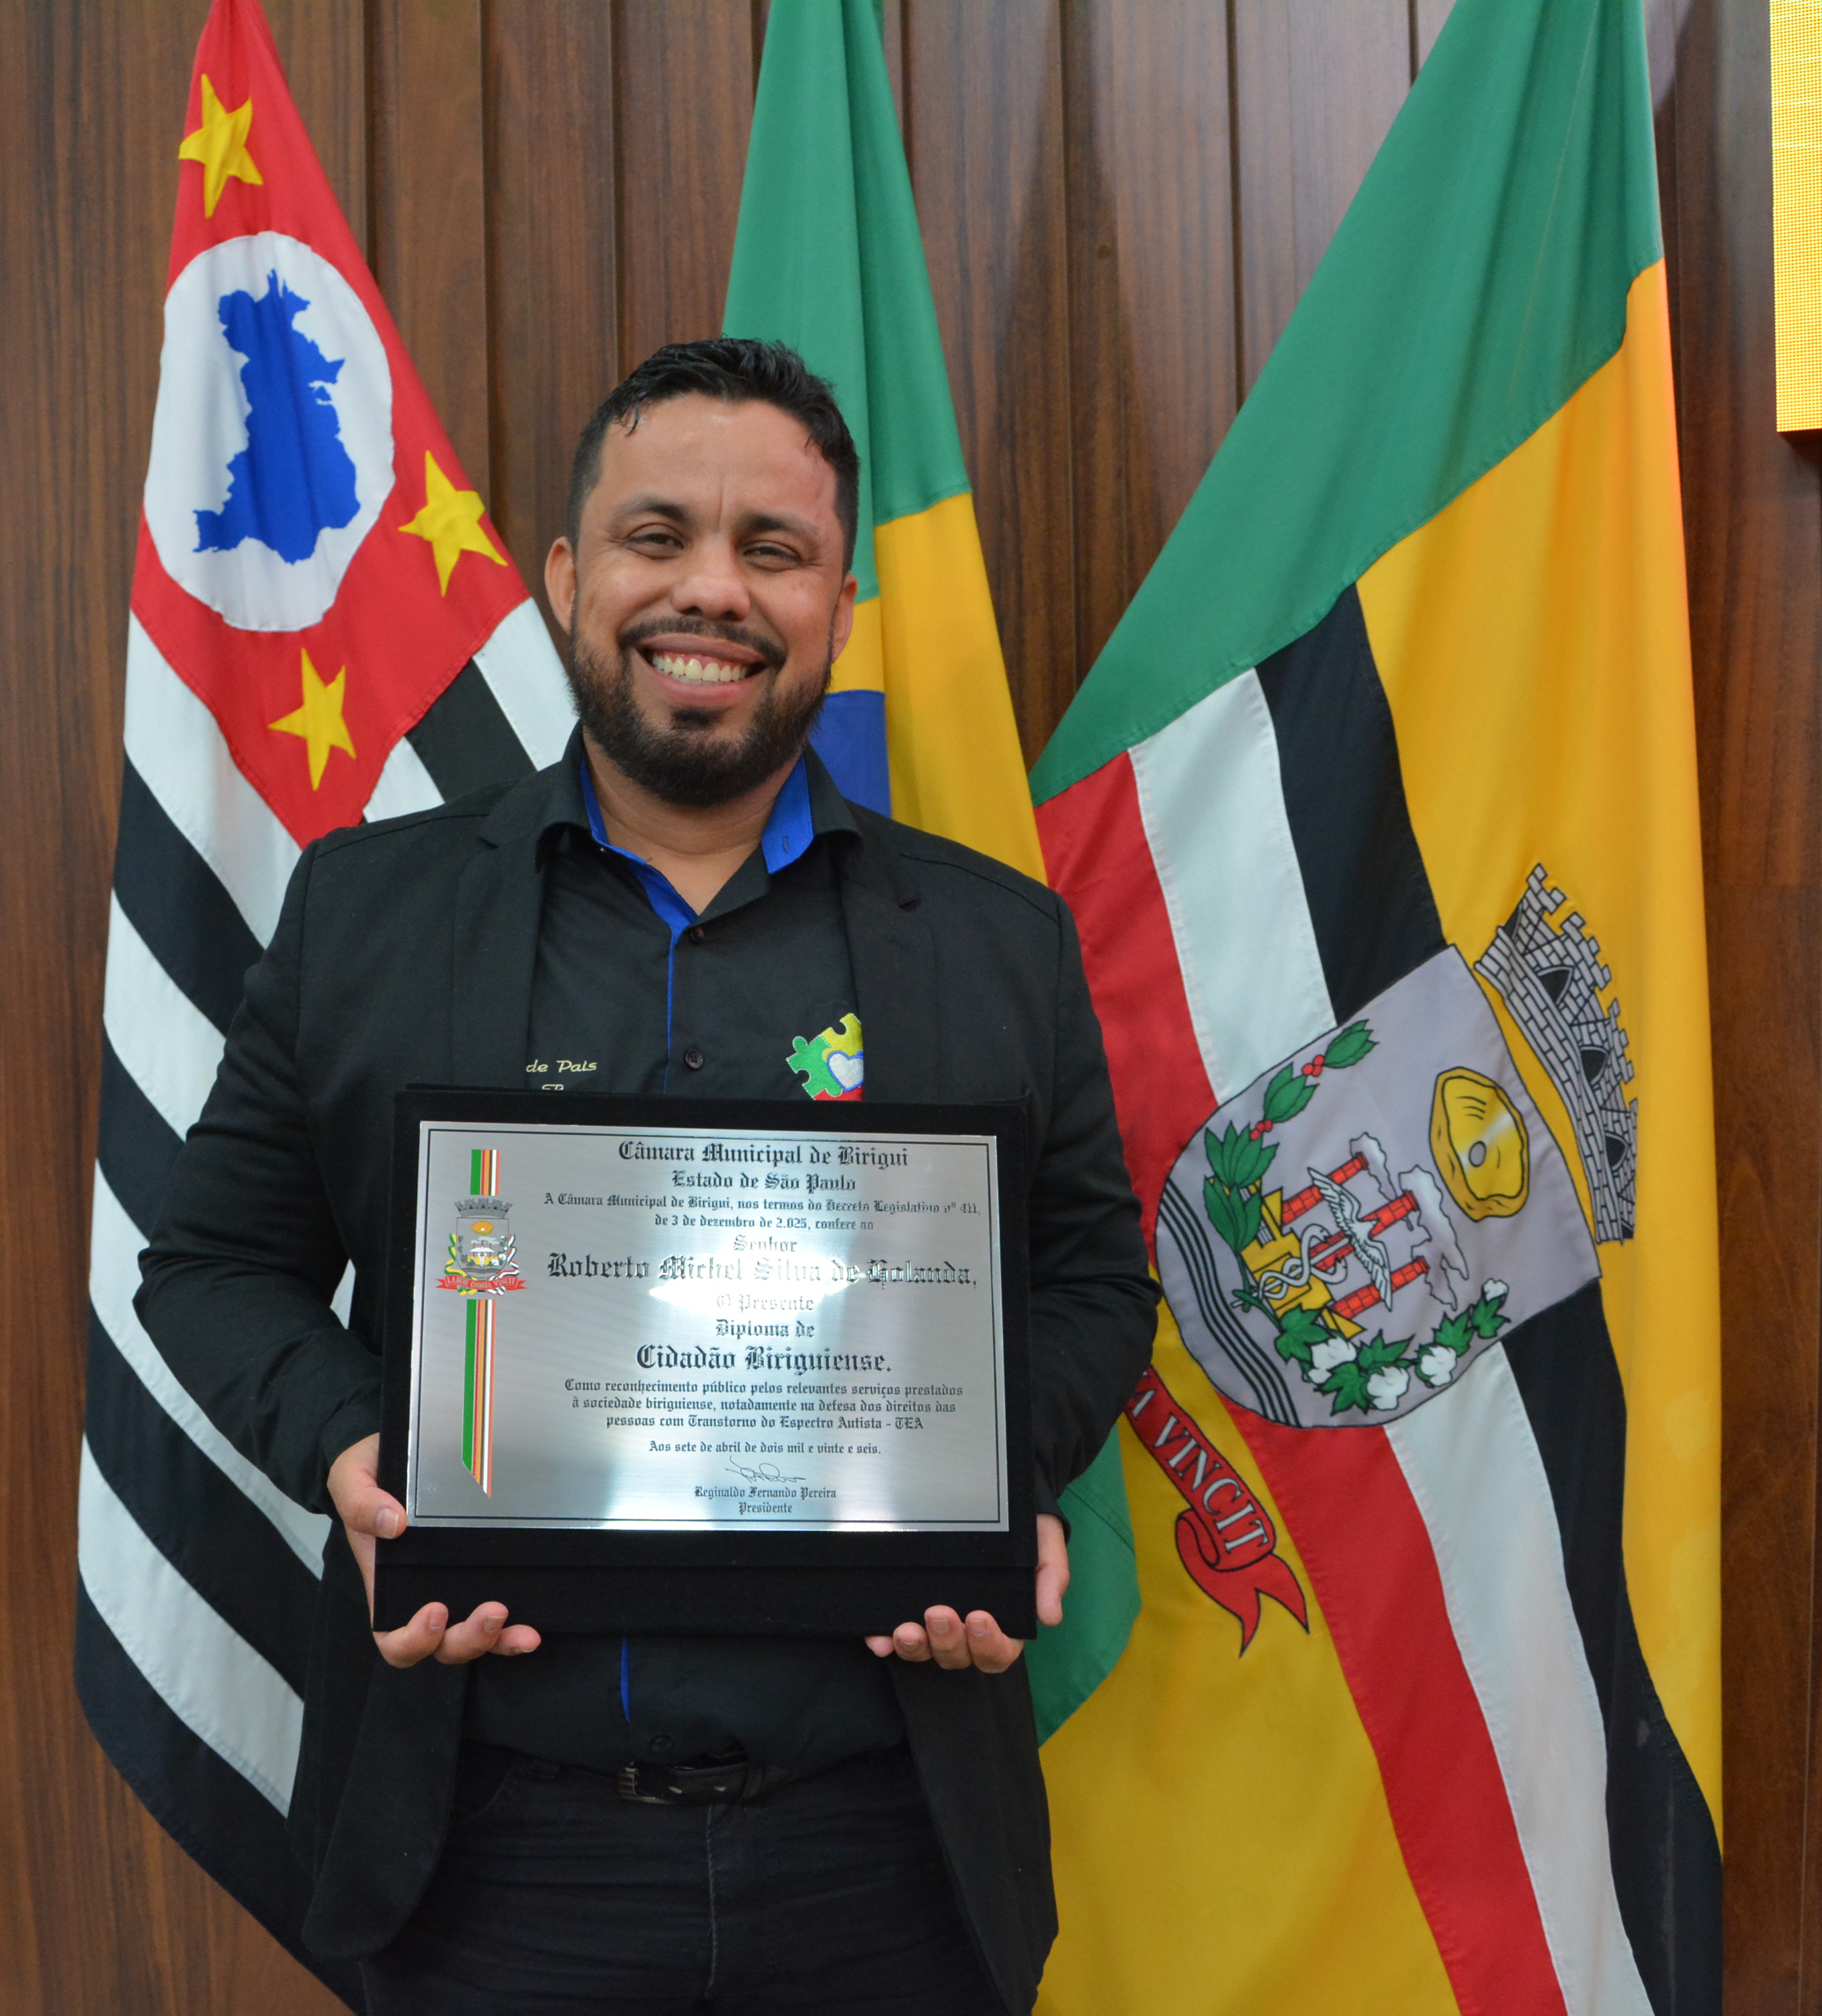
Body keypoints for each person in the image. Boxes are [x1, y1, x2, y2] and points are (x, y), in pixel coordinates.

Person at [140, 338, 1156, 2015]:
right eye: (656, 535)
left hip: (889, 1856)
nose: (712, 591)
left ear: (838, 604)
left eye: (774, 549)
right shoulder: (368, 914)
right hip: (487, 1855)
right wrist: (356, 1451)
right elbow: (212, 1265)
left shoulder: (998, 942)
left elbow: (1092, 1283)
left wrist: (990, 1475)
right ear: (566, 577)